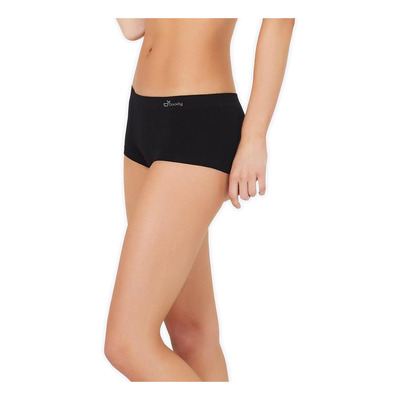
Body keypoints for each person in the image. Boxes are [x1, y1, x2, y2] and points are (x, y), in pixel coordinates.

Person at [105, 18, 295, 381]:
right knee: (193, 335)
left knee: (126, 343)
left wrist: (254, 136)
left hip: (198, 120)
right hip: (142, 117)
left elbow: (280, 21)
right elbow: (133, 27)